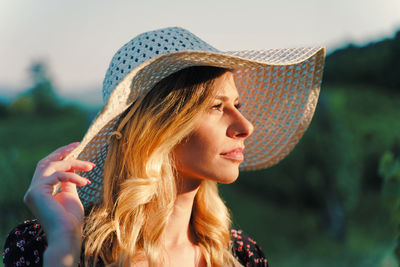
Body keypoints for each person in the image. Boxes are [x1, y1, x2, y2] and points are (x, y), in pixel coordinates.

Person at [3, 27, 325, 267]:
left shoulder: (240, 255)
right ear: (160, 128)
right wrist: (63, 244)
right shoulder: (43, 247)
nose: (246, 126)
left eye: (238, 104)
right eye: (216, 107)